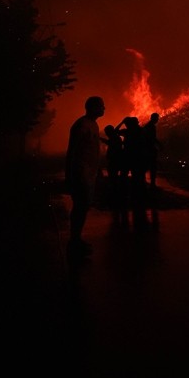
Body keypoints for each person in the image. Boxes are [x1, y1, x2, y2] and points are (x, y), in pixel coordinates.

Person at [64, 95, 105, 260]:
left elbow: (92, 150)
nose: (104, 109)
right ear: (92, 107)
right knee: (80, 207)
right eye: (101, 106)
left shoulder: (93, 125)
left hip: (89, 173)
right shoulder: (81, 125)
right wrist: (71, 174)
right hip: (81, 173)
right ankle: (74, 242)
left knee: (83, 207)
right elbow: (72, 151)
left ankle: (77, 239)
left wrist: (98, 169)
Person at [138, 112, 162, 190]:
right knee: (151, 167)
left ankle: (144, 182)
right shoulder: (151, 126)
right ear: (154, 118)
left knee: (148, 166)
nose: (158, 120)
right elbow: (152, 138)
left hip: (147, 149)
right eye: (157, 118)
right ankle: (151, 184)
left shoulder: (148, 126)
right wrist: (159, 144)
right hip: (149, 150)